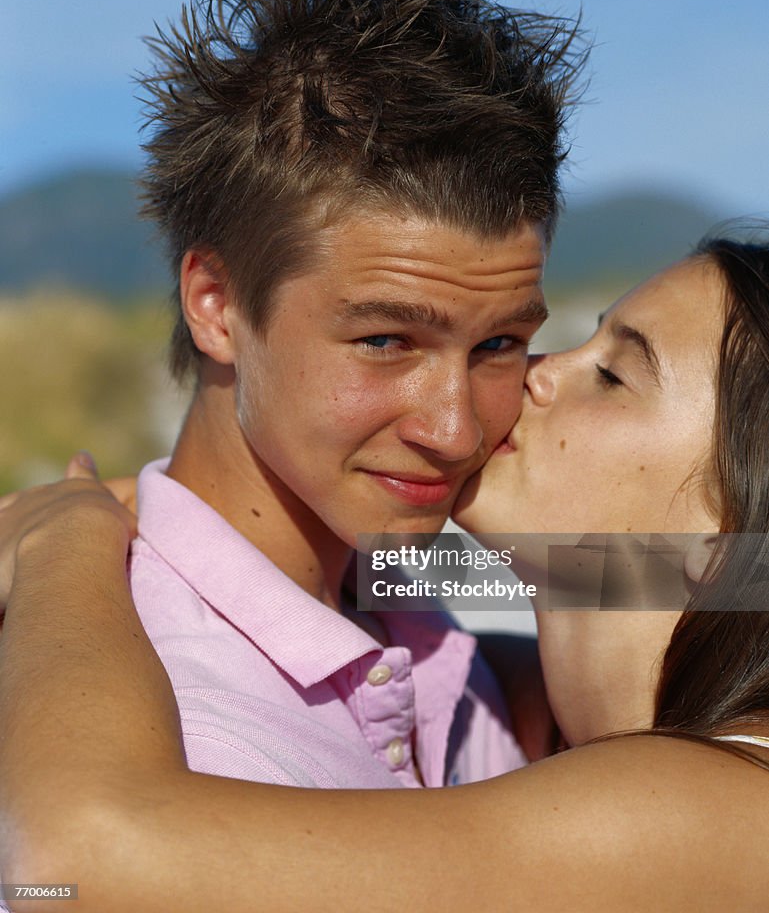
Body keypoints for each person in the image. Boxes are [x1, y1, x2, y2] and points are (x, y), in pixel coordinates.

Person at [2, 233, 769, 911]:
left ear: (733, 520)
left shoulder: (720, 814)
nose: (534, 369)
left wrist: (62, 543)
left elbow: (70, 864)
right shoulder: (581, 710)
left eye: (612, 375)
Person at [4, 0, 585, 791]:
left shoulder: (388, 576)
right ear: (217, 305)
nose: (455, 429)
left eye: (498, 343)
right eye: (385, 342)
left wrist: (65, 540)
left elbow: (707, 572)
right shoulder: (165, 738)